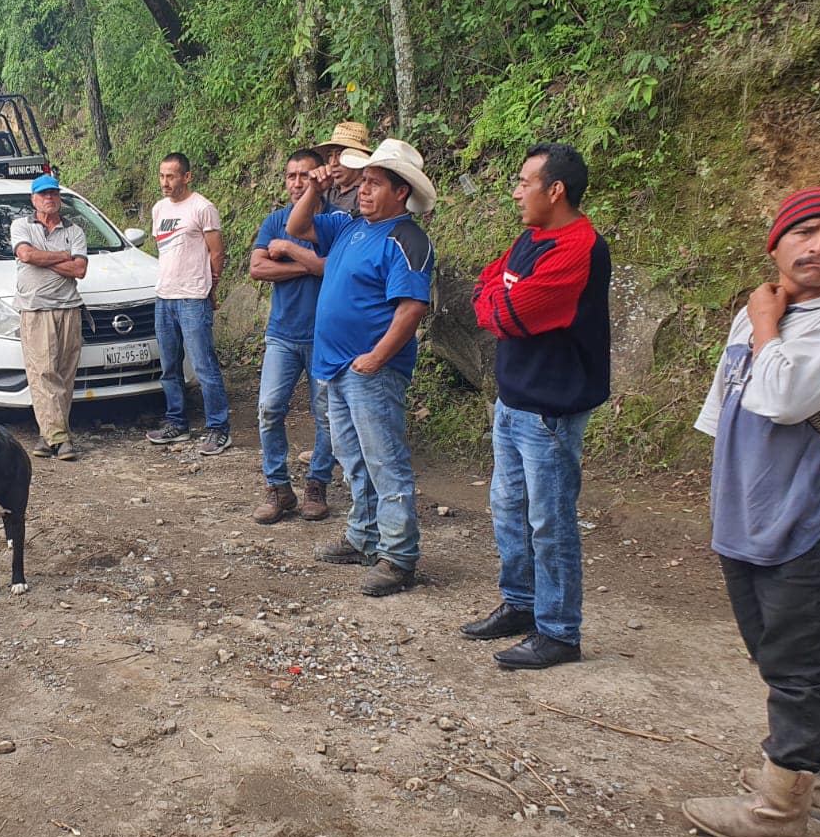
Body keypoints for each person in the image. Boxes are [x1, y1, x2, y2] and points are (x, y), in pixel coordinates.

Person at [682, 188, 820, 837]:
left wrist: (765, 322)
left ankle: (780, 811)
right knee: (777, 658)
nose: (819, 247)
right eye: (805, 233)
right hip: (746, 513)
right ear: (775, 244)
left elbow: (782, 397)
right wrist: (724, 499)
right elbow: (723, 413)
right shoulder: (759, 311)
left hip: (811, 520)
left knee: (799, 669)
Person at [462, 144, 610, 670]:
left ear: (556, 190)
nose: (516, 192)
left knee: (550, 520)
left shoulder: (579, 247)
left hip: (550, 407)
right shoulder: (533, 239)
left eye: (525, 182)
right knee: (508, 510)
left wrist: (501, 297)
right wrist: (500, 295)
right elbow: (488, 284)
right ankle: (521, 604)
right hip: (514, 399)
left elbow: (509, 313)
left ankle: (560, 631)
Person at [287, 138, 435, 597]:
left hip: (371, 371)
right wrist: (315, 187)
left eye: (373, 183)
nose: (363, 190)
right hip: (334, 367)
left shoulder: (406, 238)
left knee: (385, 461)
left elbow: (412, 308)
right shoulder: (351, 226)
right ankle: (363, 536)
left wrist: (376, 358)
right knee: (353, 459)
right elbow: (297, 224)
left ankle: (399, 556)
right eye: (363, 181)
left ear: (401, 192)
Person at [249, 149, 334, 524]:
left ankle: (317, 484)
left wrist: (286, 252)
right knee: (269, 410)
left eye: (304, 175)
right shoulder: (276, 220)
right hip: (282, 334)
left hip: (325, 336)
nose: (296, 183)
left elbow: (331, 268)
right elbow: (257, 268)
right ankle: (278, 487)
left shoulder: (335, 222)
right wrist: (308, 266)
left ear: (320, 178)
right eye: (290, 176)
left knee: (326, 416)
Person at [144, 153, 231, 456]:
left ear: (186, 177)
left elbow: (216, 253)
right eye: (161, 176)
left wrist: (211, 287)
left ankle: (218, 428)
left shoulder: (202, 208)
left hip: (193, 297)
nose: (165, 182)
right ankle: (176, 422)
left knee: (204, 366)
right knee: (169, 367)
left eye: (171, 176)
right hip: (164, 296)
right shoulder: (159, 209)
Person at [11, 173, 88, 461]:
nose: (49, 198)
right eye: (43, 194)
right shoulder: (21, 225)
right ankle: (60, 438)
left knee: (64, 376)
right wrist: (63, 255)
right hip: (36, 309)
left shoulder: (74, 230)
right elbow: (26, 256)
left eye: (54, 194)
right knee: (43, 374)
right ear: (34, 200)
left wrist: (44, 257)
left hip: (69, 308)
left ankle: (47, 436)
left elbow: (80, 270)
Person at [315, 121, 373, 217]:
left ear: (359, 158)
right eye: (330, 155)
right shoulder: (327, 189)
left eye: (340, 154)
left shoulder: (366, 194)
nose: (333, 163)